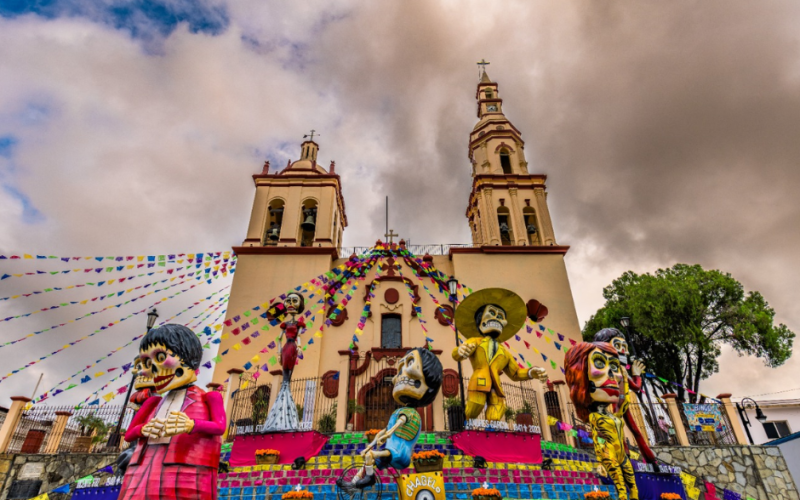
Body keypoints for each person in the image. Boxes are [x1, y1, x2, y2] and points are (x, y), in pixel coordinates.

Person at [119, 324, 226, 500]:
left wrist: (191, 425)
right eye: (147, 363)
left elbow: (220, 426)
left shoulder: (210, 397)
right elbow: (129, 434)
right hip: (144, 465)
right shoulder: (153, 402)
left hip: (185, 468)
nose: (150, 369)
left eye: (160, 357)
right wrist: (143, 429)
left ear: (189, 358)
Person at [337, 348, 442, 490]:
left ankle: (369, 479)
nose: (397, 377)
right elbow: (384, 430)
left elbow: (397, 425)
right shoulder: (400, 411)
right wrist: (370, 444)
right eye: (400, 368)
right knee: (368, 459)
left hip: (399, 453)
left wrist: (387, 435)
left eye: (410, 363)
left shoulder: (411, 414)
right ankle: (353, 484)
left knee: (371, 456)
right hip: (390, 450)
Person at [453, 288, 548, 421]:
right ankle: (467, 425)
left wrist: (531, 372)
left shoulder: (504, 352)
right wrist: (460, 351)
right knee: (474, 407)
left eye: (500, 316)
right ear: (480, 321)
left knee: (496, 414)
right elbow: (457, 353)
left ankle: (492, 431)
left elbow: (515, 373)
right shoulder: (475, 341)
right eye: (491, 313)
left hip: (497, 388)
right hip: (479, 382)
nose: (496, 318)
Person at [565, 342, 639, 500]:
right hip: (608, 452)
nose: (612, 374)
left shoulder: (614, 415)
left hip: (621, 454)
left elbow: (624, 401)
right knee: (620, 485)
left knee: (633, 485)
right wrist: (601, 462)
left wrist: (625, 379)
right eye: (599, 363)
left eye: (614, 366)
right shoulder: (595, 417)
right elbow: (597, 438)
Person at [593, 328, 657, 466]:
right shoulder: (607, 369)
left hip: (624, 403)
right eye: (617, 345)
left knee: (635, 430)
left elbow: (636, 387)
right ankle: (624, 456)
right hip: (614, 402)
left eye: (625, 347)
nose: (623, 351)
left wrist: (636, 374)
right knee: (618, 427)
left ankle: (651, 459)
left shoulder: (622, 370)